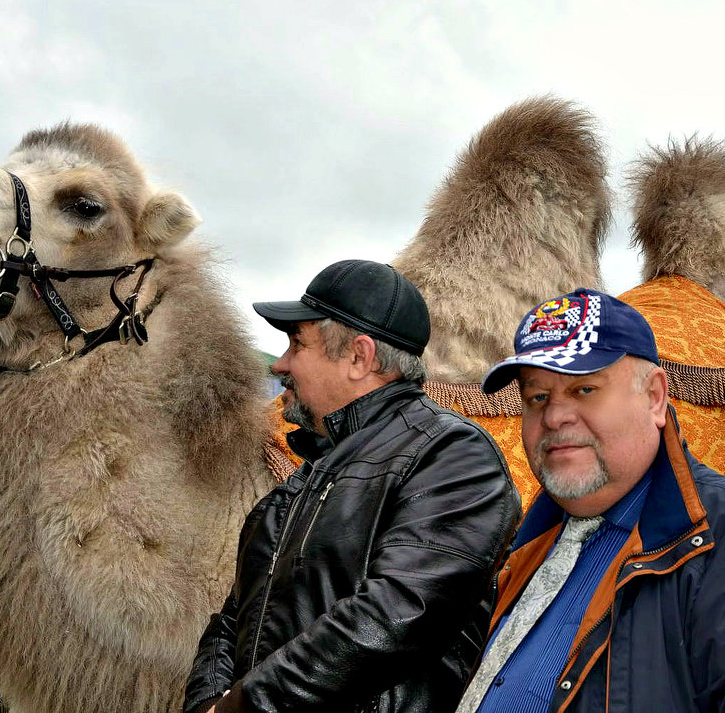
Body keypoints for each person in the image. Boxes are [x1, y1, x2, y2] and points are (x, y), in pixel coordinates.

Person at [456, 289, 725, 713]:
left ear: (654, 397)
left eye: (584, 389)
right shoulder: (530, 538)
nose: (554, 416)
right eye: (538, 397)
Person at [183, 259, 521, 713]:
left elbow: (397, 613)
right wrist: (207, 701)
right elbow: (233, 620)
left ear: (359, 357)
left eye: (296, 344)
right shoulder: (303, 478)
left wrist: (243, 706)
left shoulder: (453, 455)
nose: (281, 365)